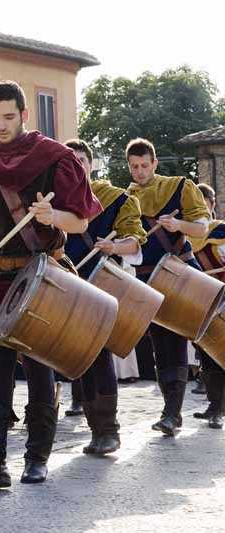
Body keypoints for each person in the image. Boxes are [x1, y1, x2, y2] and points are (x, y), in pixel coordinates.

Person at [0, 81, 101, 487]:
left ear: (24, 115)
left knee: (38, 365)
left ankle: (37, 457)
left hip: (42, 273)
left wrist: (53, 217)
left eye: (8, 117)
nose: (1, 126)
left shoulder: (55, 158)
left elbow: (81, 221)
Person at [63, 138, 146, 455]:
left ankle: (109, 430)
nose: (77, 165)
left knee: (98, 354)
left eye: (82, 159)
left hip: (102, 287)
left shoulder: (116, 199)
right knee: (80, 360)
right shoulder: (56, 204)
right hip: (68, 287)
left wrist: (114, 247)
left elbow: (135, 241)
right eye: (70, 161)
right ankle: (96, 431)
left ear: (91, 163)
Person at [125, 138, 210, 435]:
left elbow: (201, 227)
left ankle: (187, 410)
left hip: (179, 274)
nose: (140, 172)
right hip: (147, 279)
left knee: (192, 341)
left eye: (144, 166)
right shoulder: (127, 197)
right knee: (160, 344)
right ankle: (171, 412)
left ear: (155, 163)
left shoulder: (178, 186)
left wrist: (179, 226)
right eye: (134, 167)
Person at [189, 182, 225, 429]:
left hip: (223, 299)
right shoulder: (186, 237)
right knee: (206, 354)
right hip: (200, 301)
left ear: (212, 206)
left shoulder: (221, 232)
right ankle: (214, 404)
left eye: (205, 203)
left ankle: (218, 409)